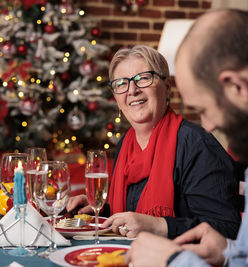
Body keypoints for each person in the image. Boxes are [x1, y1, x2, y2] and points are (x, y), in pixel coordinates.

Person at [66, 45, 241, 239]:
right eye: (121, 83)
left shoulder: (195, 144)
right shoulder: (126, 144)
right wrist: (98, 213)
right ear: (116, 97)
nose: (132, 90)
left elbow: (227, 228)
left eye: (143, 78)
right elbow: (134, 215)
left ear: (167, 88)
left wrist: (159, 225)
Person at [127, 9, 248, 267]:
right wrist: (228, 252)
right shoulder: (125, 144)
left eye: (203, 109)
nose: (208, 125)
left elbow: (225, 222)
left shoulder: (195, 142)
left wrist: (173, 260)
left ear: (237, 86)